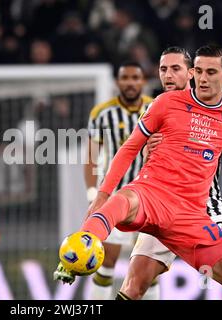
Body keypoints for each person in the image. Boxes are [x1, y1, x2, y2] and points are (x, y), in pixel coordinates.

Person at [55, 45, 222, 300]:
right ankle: (79, 247)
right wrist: (101, 196)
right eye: (200, 72)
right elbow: (129, 148)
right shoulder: (166, 102)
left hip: (194, 213)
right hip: (152, 195)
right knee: (121, 203)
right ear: (193, 72)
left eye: (212, 72)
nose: (204, 79)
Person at [118, 47, 222, 300]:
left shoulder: (219, 113)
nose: (168, 76)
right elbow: (139, 165)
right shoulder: (158, 110)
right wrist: (147, 153)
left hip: (206, 211)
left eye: (176, 69)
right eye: (163, 69)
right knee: (134, 286)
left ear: (191, 75)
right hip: (161, 207)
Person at [83, 61, 156, 300]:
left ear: (143, 81)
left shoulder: (156, 108)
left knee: (149, 266)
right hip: (115, 196)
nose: (130, 82)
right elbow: (92, 156)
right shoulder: (102, 113)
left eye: (135, 77)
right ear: (117, 82)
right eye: (125, 77)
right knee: (106, 261)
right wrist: (93, 192)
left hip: (150, 197)